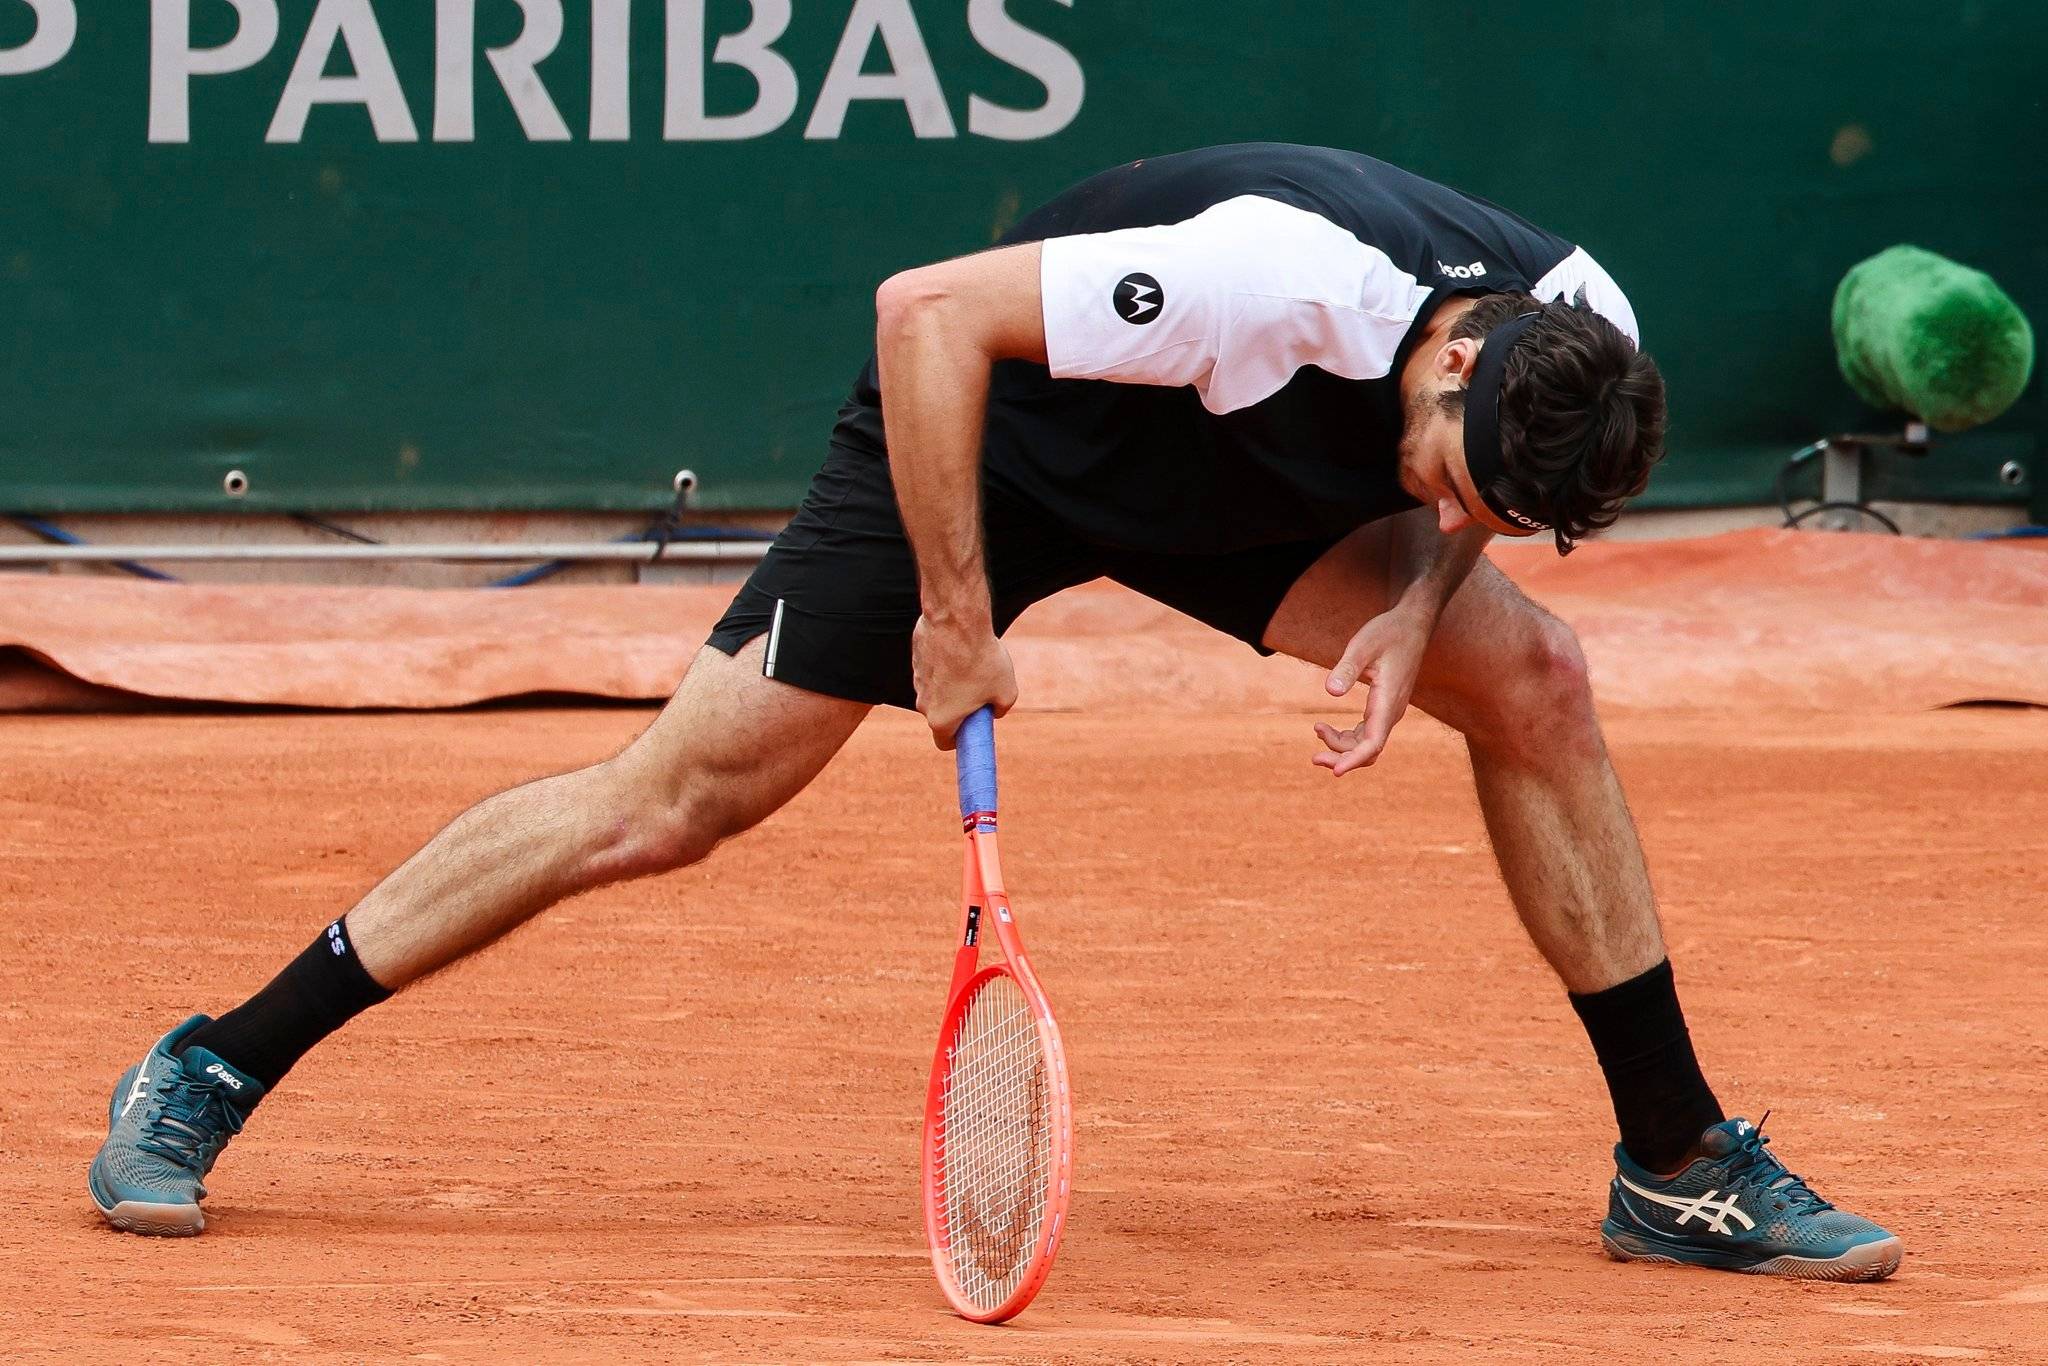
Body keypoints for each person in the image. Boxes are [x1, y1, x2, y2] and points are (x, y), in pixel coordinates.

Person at [89, 143, 1899, 1281]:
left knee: (1542, 680)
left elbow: (1460, 510)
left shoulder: (1579, 348)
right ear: (1444, 354)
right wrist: (957, 617)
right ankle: (220, 1057)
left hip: (1242, 494)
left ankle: (1674, 1163)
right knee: (673, 800)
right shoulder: (1272, 276)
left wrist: (1430, 605)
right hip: (998, 449)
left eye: (1487, 518)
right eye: (1447, 473)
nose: (1453, 514)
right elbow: (923, 314)